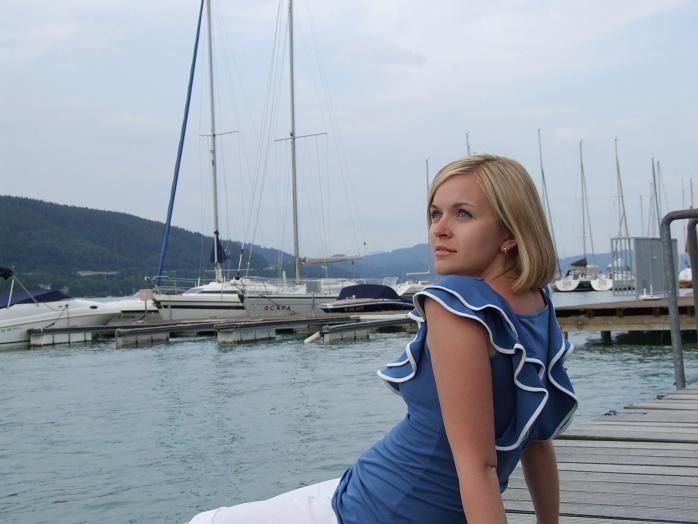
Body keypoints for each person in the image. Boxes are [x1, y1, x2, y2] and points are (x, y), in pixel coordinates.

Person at [189, 154, 577, 524]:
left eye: (463, 214)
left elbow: (480, 467)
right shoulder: (536, 303)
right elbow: (538, 443)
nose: (439, 229)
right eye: (435, 213)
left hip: (383, 510)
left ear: (509, 233)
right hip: (379, 490)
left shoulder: (456, 304)